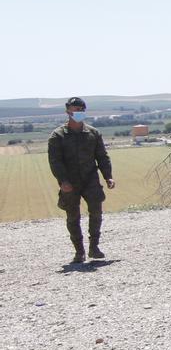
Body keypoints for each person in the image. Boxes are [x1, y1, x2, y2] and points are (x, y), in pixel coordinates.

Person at [47, 97, 115, 264]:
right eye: (74, 109)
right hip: (70, 182)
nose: (77, 112)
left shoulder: (93, 133)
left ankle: (94, 247)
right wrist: (63, 181)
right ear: (67, 112)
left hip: (90, 179)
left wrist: (108, 176)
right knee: (73, 216)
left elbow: (102, 156)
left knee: (96, 212)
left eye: (80, 109)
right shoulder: (58, 136)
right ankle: (79, 251)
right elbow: (55, 161)